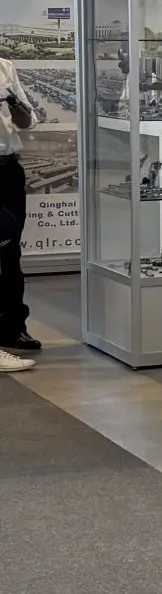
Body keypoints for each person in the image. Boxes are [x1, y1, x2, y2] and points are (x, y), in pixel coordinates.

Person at [0, 55, 39, 371]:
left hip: (8, 170)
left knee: (10, 250)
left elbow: (27, 122)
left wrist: (11, 102)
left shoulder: (4, 67)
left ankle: (12, 327)